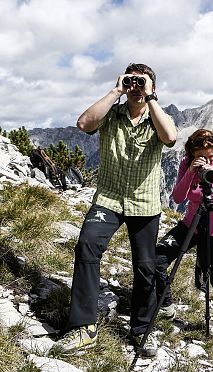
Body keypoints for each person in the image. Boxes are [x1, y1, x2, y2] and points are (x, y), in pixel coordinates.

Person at [56, 63, 177, 356]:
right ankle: (83, 327)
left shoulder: (159, 117)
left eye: (142, 82)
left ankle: (141, 330)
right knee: (86, 247)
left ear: (153, 88)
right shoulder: (111, 115)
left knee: (146, 267)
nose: (136, 87)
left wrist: (151, 99)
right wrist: (115, 90)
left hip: (144, 204)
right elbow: (84, 124)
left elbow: (170, 138)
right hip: (108, 199)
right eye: (132, 81)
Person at [155, 128, 213, 357]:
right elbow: (178, 198)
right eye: (201, 156)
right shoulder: (187, 163)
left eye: (210, 154)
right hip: (191, 225)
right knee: (158, 258)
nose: (206, 159)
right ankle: (167, 306)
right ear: (192, 153)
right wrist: (190, 173)